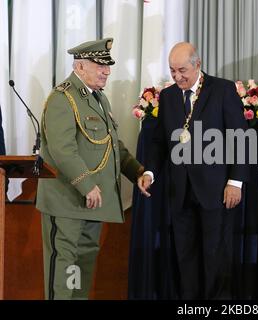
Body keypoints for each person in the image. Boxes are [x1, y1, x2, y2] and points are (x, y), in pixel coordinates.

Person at [36, 38, 150, 300]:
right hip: (67, 202)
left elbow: (110, 145)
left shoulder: (98, 98)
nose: (107, 71)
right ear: (79, 66)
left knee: (80, 270)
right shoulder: (62, 98)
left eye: (107, 66)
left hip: (92, 203)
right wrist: (87, 184)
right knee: (63, 273)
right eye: (100, 65)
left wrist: (137, 172)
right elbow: (61, 149)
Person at [141, 42, 250, 299]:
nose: (177, 76)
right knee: (185, 258)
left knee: (216, 257)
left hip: (217, 190)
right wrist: (150, 173)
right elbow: (159, 142)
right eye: (172, 71)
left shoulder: (222, 90)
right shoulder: (167, 97)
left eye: (182, 70)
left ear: (197, 65)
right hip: (180, 191)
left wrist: (235, 182)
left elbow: (240, 139)